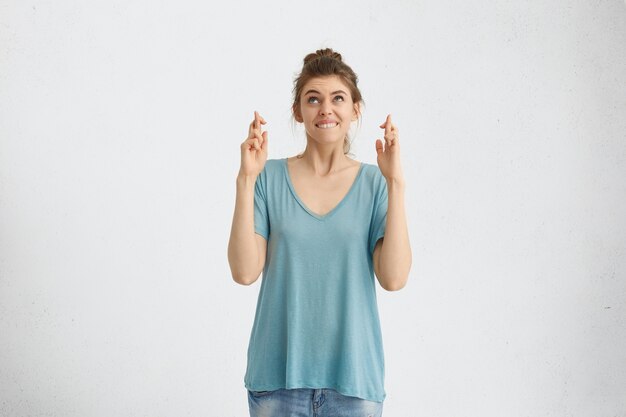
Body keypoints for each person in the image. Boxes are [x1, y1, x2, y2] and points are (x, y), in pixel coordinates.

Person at [227, 48, 412, 417]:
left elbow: (393, 278)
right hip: (277, 381)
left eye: (338, 98)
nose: (325, 109)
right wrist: (246, 179)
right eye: (313, 99)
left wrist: (396, 183)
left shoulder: (375, 184)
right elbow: (245, 272)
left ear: (355, 109)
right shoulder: (269, 178)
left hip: (354, 384)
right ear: (298, 111)